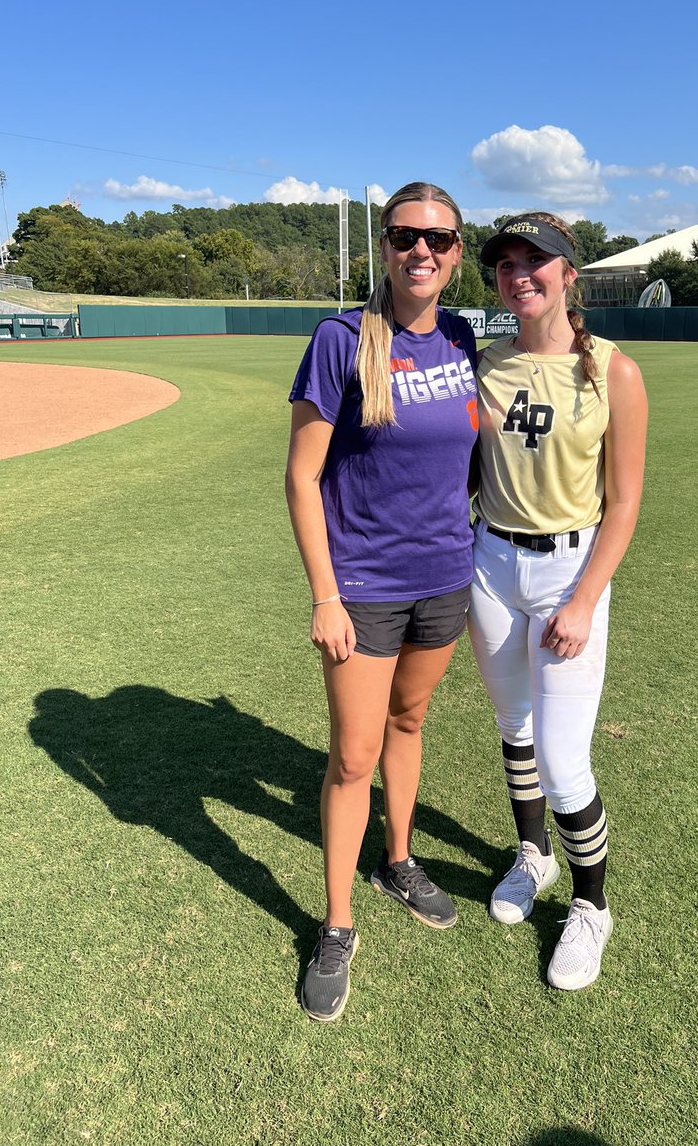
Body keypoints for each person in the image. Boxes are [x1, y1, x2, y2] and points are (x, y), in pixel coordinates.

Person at [285, 181, 478, 1021]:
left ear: (457, 253)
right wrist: (324, 594)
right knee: (353, 756)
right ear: (386, 247)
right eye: (405, 236)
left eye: (437, 239)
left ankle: (397, 858)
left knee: (410, 724)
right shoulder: (341, 341)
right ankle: (336, 924)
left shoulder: (465, 337)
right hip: (362, 587)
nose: (420, 252)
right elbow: (301, 476)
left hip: (446, 577)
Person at [468, 212, 647, 990]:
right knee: (515, 729)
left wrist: (583, 601)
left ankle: (592, 906)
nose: (520, 274)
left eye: (536, 260)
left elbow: (627, 503)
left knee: (564, 759)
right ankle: (532, 857)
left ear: (570, 273)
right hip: (492, 564)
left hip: (571, 574)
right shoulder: (485, 365)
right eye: (506, 263)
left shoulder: (613, 370)